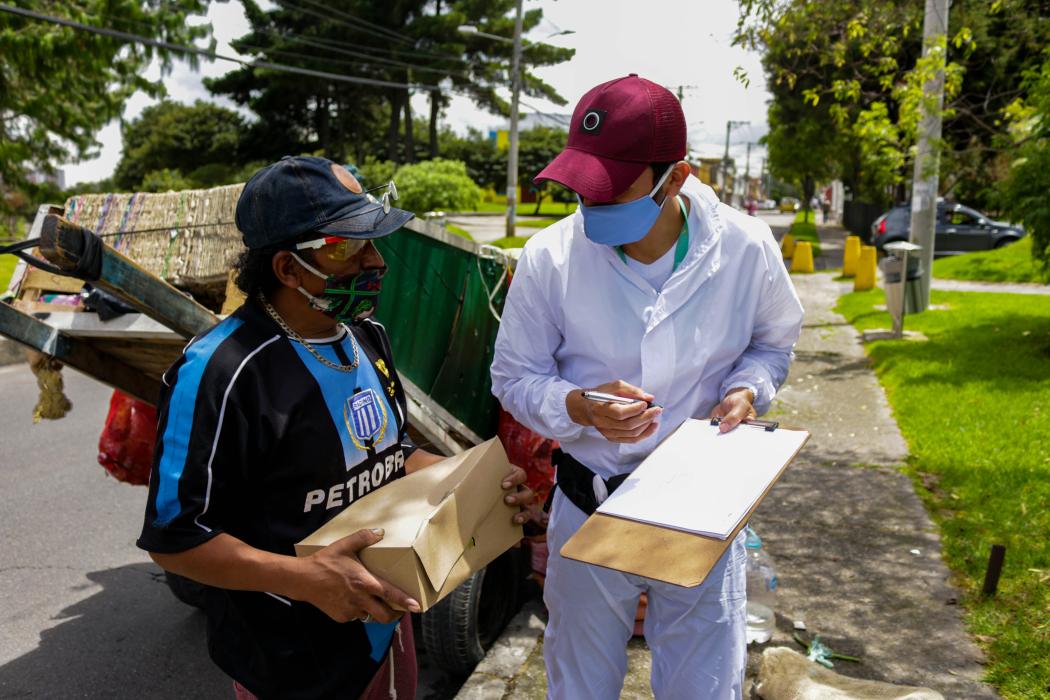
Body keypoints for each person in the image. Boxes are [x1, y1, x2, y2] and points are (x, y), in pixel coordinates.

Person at [137, 156, 533, 700]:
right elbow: (175, 538)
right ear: (286, 269)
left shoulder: (365, 335)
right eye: (348, 247)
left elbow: (392, 456)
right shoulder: (221, 372)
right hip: (287, 659)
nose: (377, 262)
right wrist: (306, 580)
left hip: (383, 630)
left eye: (373, 241)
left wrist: (478, 481)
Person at [490, 75, 804, 699]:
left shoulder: (744, 249)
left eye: (613, 190)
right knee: (579, 684)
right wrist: (575, 406)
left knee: (703, 683)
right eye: (585, 189)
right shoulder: (552, 256)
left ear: (676, 177)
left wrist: (748, 389)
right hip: (587, 503)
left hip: (699, 511)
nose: (594, 206)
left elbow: (772, 344)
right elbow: (513, 377)